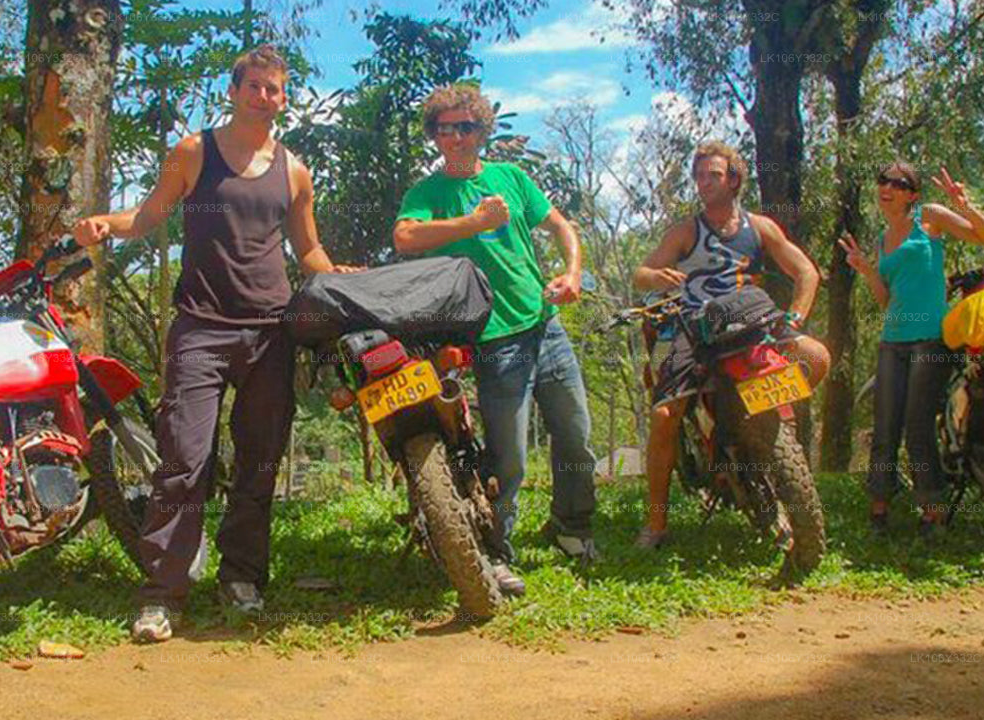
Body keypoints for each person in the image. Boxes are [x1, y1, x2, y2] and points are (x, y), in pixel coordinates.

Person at [72, 46, 354, 642]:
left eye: (273, 89)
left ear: (283, 98)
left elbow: (308, 250)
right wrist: (104, 224)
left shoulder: (294, 171)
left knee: (259, 459)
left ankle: (242, 577)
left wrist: (341, 280)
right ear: (233, 91)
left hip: (271, 331)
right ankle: (163, 593)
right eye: (254, 86)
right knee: (183, 457)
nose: (263, 97)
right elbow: (148, 216)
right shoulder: (193, 152)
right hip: (200, 325)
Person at [393, 84, 598, 597]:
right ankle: (497, 549)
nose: (457, 137)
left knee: (575, 435)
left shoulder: (512, 178)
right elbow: (405, 237)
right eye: (446, 128)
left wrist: (572, 272)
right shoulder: (428, 193)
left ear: (482, 130)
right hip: (493, 338)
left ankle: (570, 525)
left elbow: (561, 226)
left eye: (466, 127)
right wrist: (474, 222)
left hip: (545, 325)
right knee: (510, 458)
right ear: (435, 135)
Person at [632, 141, 830, 549]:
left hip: (752, 322)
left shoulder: (759, 228)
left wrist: (795, 318)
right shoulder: (687, 230)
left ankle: (774, 435)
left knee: (816, 356)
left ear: (735, 180)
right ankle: (656, 523)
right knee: (665, 414)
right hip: (692, 326)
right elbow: (642, 272)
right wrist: (657, 278)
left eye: (714, 175)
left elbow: (806, 272)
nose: (704, 183)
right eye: (699, 176)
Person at [838, 163, 984, 535]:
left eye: (898, 184)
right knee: (885, 426)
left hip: (931, 338)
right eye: (883, 181)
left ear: (912, 194)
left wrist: (963, 204)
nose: (887, 188)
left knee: (917, 425)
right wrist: (867, 270)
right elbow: (887, 300)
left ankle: (932, 509)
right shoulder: (883, 239)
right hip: (893, 341)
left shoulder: (929, 218)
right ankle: (879, 505)